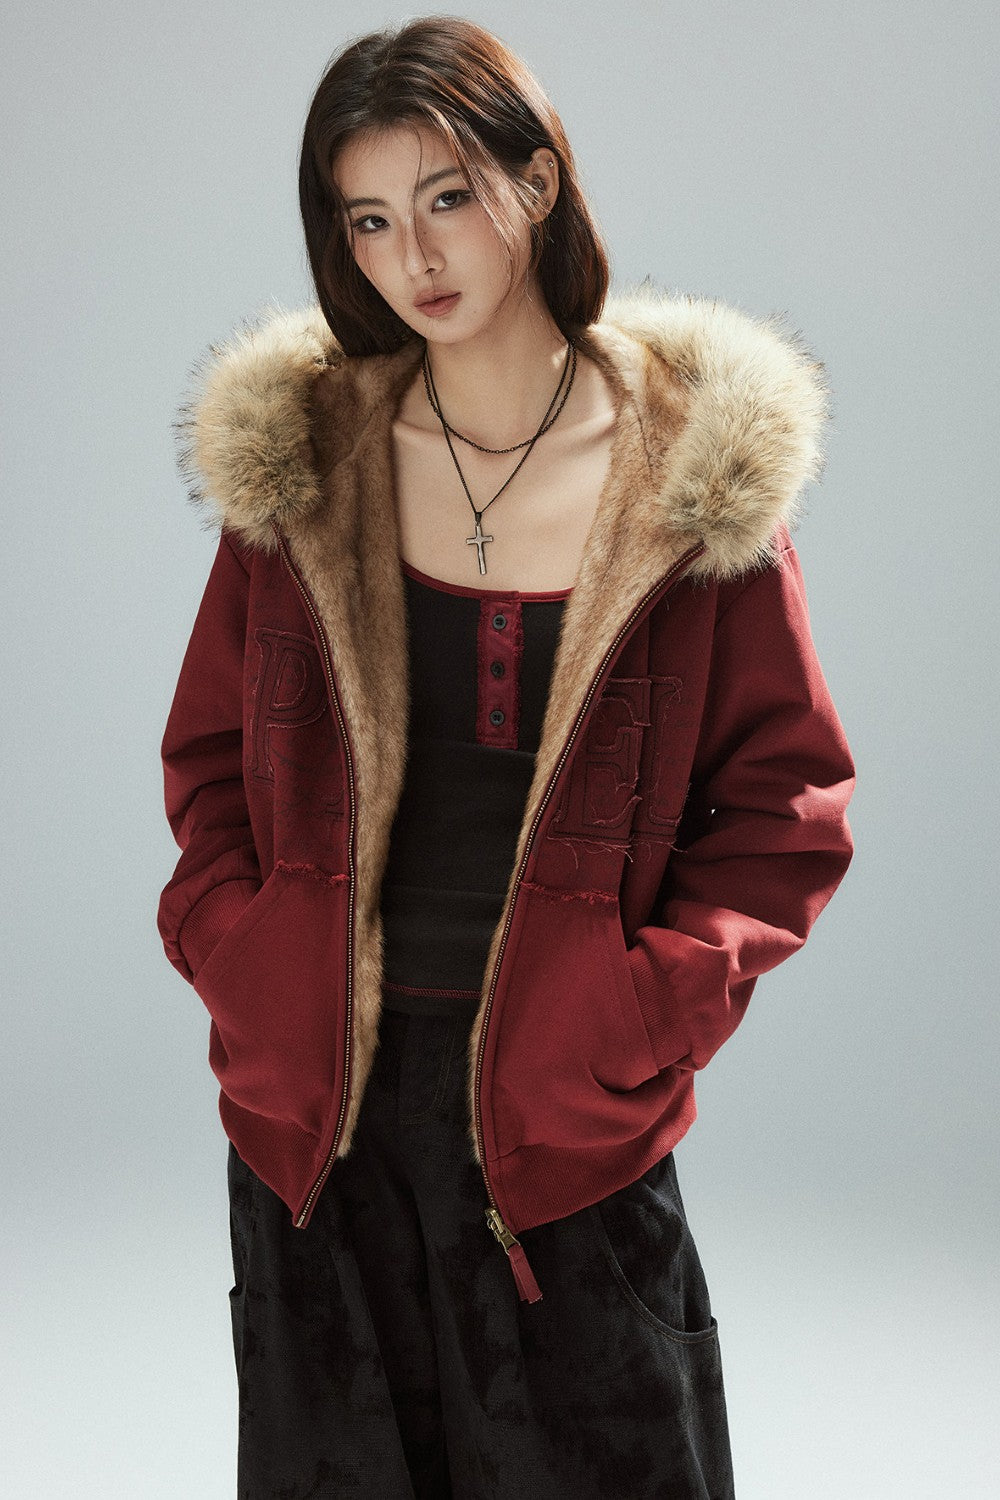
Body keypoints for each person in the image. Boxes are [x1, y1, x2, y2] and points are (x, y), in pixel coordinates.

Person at [156, 15, 856, 1498]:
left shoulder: (687, 480)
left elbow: (784, 810)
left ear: (537, 183)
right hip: (318, 1116)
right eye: (367, 219)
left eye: (447, 196)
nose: (413, 254)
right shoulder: (308, 470)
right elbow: (210, 765)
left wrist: (635, 1012)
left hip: (562, 1121)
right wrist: (244, 956)